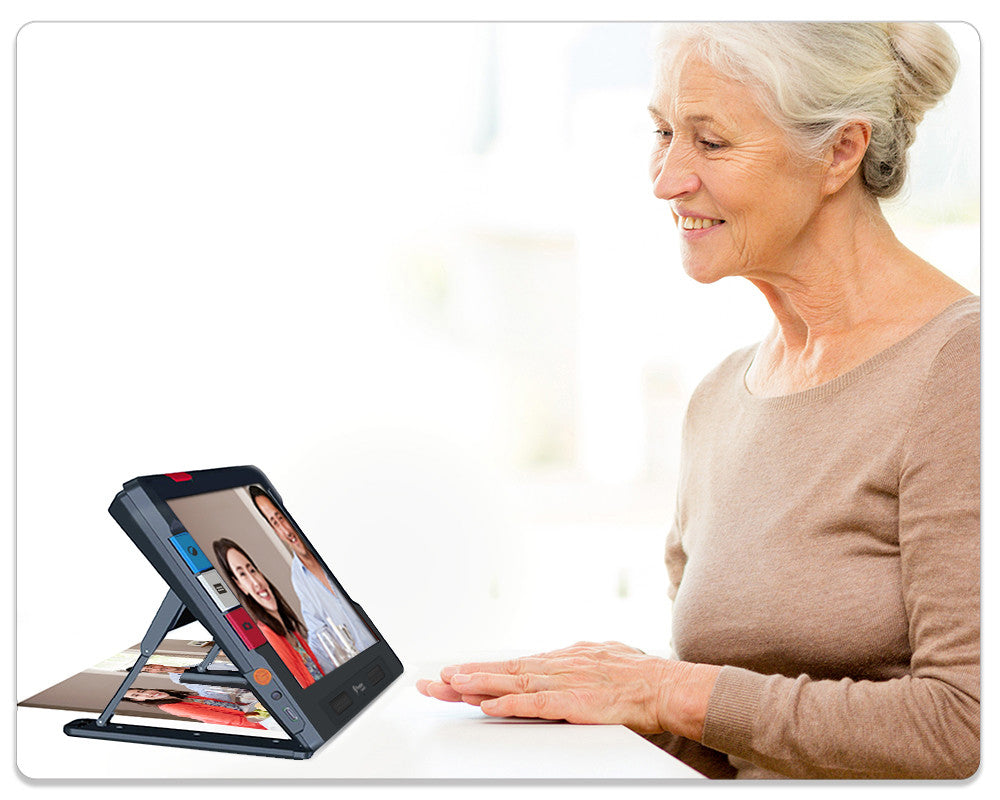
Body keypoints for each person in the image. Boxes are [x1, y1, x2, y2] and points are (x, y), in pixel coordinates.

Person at [417, 22, 979, 779]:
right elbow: (732, 738)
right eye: (662, 133)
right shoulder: (720, 398)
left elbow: (967, 727)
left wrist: (664, 689)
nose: (665, 179)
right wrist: (580, 701)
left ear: (841, 151)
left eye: (711, 143)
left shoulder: (964, 369)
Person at [248, 485, 377, 672]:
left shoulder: (339, 543)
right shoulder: (298, 578)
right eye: (275, 523)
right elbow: (318, 636)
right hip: (369, 667)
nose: (286, 530)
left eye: (282, 518)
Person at [212, 537, 325, 689]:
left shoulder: (290, 630)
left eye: (252, 570)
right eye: (243, 575)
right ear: (240, 586)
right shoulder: (268, 639)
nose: (256, 581)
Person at [122, 687, 267, 730]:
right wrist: (263, 725)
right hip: (254, 721)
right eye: (138, 695)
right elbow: (227, 720)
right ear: (139, 700)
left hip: (251, 713)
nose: (147, 693)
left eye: (141, 690)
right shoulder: (172, 707)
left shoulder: (177, 697)